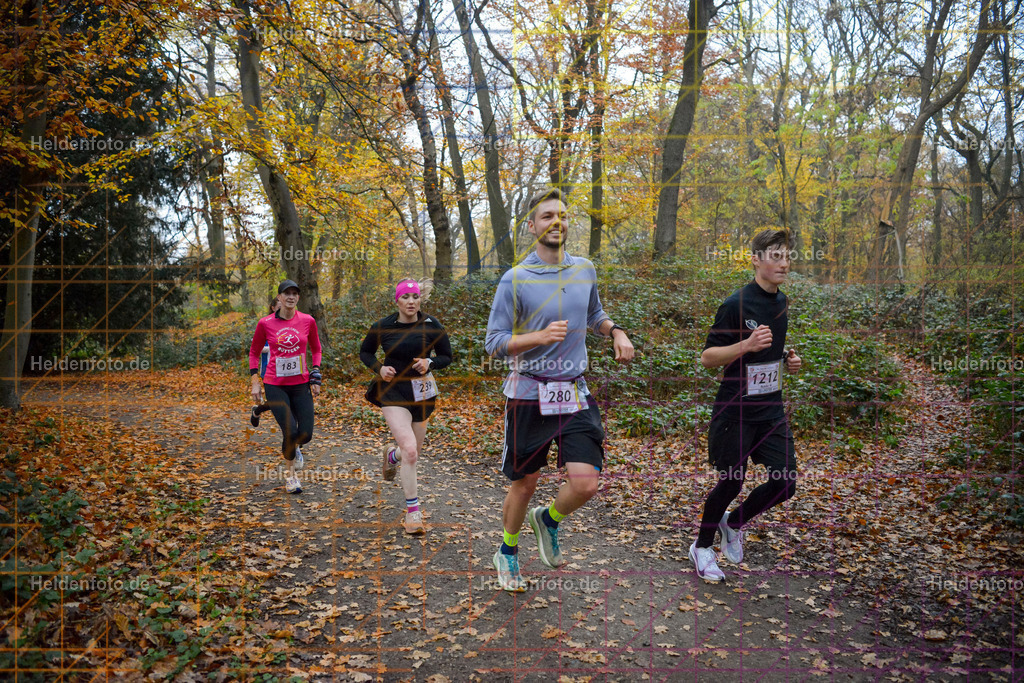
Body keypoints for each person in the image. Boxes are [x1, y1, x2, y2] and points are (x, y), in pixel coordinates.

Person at [484, 187, 635, 592]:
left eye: (563, 216)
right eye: (547, 215)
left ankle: (548, 520)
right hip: (528, 393)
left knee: (586, 483)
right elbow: (494, 342)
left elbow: (595, 313)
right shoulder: (515, 279)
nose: (557, 222)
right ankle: (508, 551)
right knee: (525, 483)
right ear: (531, 226)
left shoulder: (585, 268)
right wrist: (537, 337)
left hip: (573, 391)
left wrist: (615, 332)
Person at [689, 228, 803, 583]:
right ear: (756, 260)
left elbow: (769, 347)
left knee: (786, 483)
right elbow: (708, 358)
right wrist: (745, 345)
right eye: (776, 256)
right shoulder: (735, 303)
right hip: (736, 410)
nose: (784, 263)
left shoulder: (781, 302)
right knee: (732, 482)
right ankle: (703, 547)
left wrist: (786, 356)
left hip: (770, 410)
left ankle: (733, 523)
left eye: (787, 256)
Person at [360, 279, 452, 535]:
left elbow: (447, 356)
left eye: (415, 296)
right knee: (411, 451)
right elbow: (365, 352)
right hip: (393, 391)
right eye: (405, 297)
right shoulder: (383, 326)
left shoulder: (432, 325)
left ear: (420, 299)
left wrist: (429, 363)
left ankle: (392, 456)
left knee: (411, 453)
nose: (411, 301)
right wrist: (379, 368)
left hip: (422, 394)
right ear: (397, 301)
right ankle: (414, 514)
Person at [248, 280, 323, 494]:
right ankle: (291, 477)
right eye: (286, 293)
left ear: (298, 298)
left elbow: (316, 349)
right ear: (279, 298)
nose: (291, 297)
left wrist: (316, 371)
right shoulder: (265, 323)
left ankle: (294, 446)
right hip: (275, 384)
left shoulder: (308, 321)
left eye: (294, 293)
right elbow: (254, 353)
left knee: (305, 434)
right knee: (290, 431)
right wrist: (255, 381)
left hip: (300, 384)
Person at [250, 295, 281, 427]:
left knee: (287, 400)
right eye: (279, 307)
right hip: (268, 368)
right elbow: (256, 348)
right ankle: (257, 410)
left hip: (286, 370)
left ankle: (294, 435)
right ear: (273, 308)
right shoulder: (267, 324)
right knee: (276, 402)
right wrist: (272, 348)